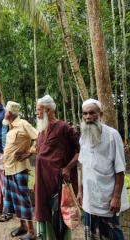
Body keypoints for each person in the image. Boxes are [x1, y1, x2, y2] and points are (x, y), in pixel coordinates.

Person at [78, 99, 129, 240]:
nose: (88, 117)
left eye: (92, 113)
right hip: (89, 198)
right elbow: (83, 165)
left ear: (100, 114)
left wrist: (116, 197)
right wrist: (80, 191)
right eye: (85, 114)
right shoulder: (83, 137)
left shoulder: (112, 135)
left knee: (112, 235)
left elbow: (120, 170)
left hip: (107, 198)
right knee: (91, 234)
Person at [34, 95, 79, 240]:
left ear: (48, 110)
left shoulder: (64, 128)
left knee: (59, 218)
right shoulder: (41, 131)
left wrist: (67, 167)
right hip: (42, 184)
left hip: (57, 183)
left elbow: (80, 151)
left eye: (39, 110)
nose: (37, 113)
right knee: (44, 214)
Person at [2, 102, 38, 239]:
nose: (5, 113)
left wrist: (29, 153)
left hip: (19, 169)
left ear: (10, 113)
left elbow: (38, 137)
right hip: (9, 169)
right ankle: (22, 226)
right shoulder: (10, 127)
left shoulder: (23, 124)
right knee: (15, 201)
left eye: (6, 111)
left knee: (23, 200)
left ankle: (32, 232)